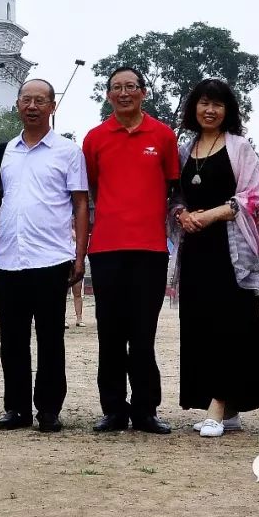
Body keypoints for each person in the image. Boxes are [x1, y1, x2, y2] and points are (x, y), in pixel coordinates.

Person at [170, 78, 259, 438]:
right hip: (195, 250)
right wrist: (183, 214)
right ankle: (227, 410)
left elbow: (252, 198)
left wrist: (209, 215)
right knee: (199, 325)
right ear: (193, 108)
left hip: (231, 252)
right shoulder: (185, 149)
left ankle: (218, 405)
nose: (209, 110)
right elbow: (176, 194)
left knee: (229, 325)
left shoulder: (240, 147)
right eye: (203, 103)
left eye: (217, 104)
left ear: (228, 110)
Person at [82, 66, 179, 434]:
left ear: (143, 92)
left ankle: (146, 410)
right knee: (109, 332)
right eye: (116, 88)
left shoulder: (163, 135)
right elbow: (89, 189)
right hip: (106, 249)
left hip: (151, 250)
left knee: (143, 334)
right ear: (108, 95)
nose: (124, 93)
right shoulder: (94, 138)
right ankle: (113, 410)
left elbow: (175, 186)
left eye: (131, 87)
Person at [0, 78, 89, 433]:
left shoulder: (68, 152)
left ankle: (49, 409)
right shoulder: (2, 153)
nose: (32, 106)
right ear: (17, 105)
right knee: (11, 340)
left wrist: (79, 256)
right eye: (26, 100)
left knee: (50, 339)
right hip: (8, 259)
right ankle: (15, 408)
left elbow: (80, 204)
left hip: (51, 259)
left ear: (52, 106)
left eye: (40, 100)